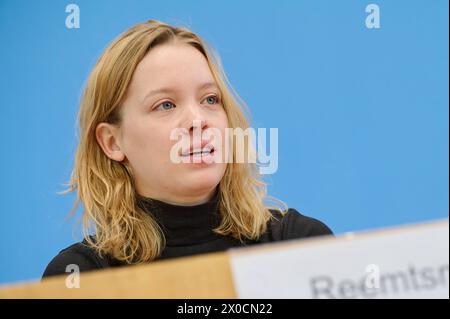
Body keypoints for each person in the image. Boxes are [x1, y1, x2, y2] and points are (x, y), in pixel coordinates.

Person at [42, 20, 332, 278]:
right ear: (112, 142)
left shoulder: (300, 244)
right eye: (165, 105)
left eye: (209, 99)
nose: (198, 120)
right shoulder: (81, 275)